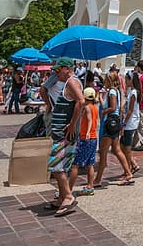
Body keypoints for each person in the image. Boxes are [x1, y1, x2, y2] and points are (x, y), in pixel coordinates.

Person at [45, 57, 85, 216]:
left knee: (55, 165)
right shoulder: (69, 82)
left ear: (67, 68)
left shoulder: (72, 82)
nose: (56, 73)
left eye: (58, 70)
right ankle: (62, 197)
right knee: (62, 166)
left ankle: (68, 196)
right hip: (62, 133)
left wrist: (73, 123)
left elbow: (81, 101)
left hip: (64, 135)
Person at [95, 71, 131, 188]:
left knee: (103, 151)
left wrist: (104, 111)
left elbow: (113, 107)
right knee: (116, 150)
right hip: (114, 123)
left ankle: (98, 179)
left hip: (109, 122)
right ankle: (128, 172)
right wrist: (101, 98)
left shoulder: (112, 91)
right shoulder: (116, 91)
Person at [70, 86, 99, 195]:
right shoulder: (95, 107)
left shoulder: (87, 107)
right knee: (89, 164)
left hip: (85, 138)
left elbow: (90, 120)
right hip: (93, 138)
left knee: (75, 165)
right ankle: (90, 186)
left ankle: (68, 188)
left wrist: (87, 132)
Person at [117, 72, 140, 184]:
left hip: (130, 123)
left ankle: (129, 169)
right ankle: (132, 165)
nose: (125, 81)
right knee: (122, 146)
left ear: (131, 80)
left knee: (126, 147)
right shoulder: (130, 92)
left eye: (127, 79)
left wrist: (124, 124)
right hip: (128, 122)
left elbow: (130, 110)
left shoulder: (134, 93)